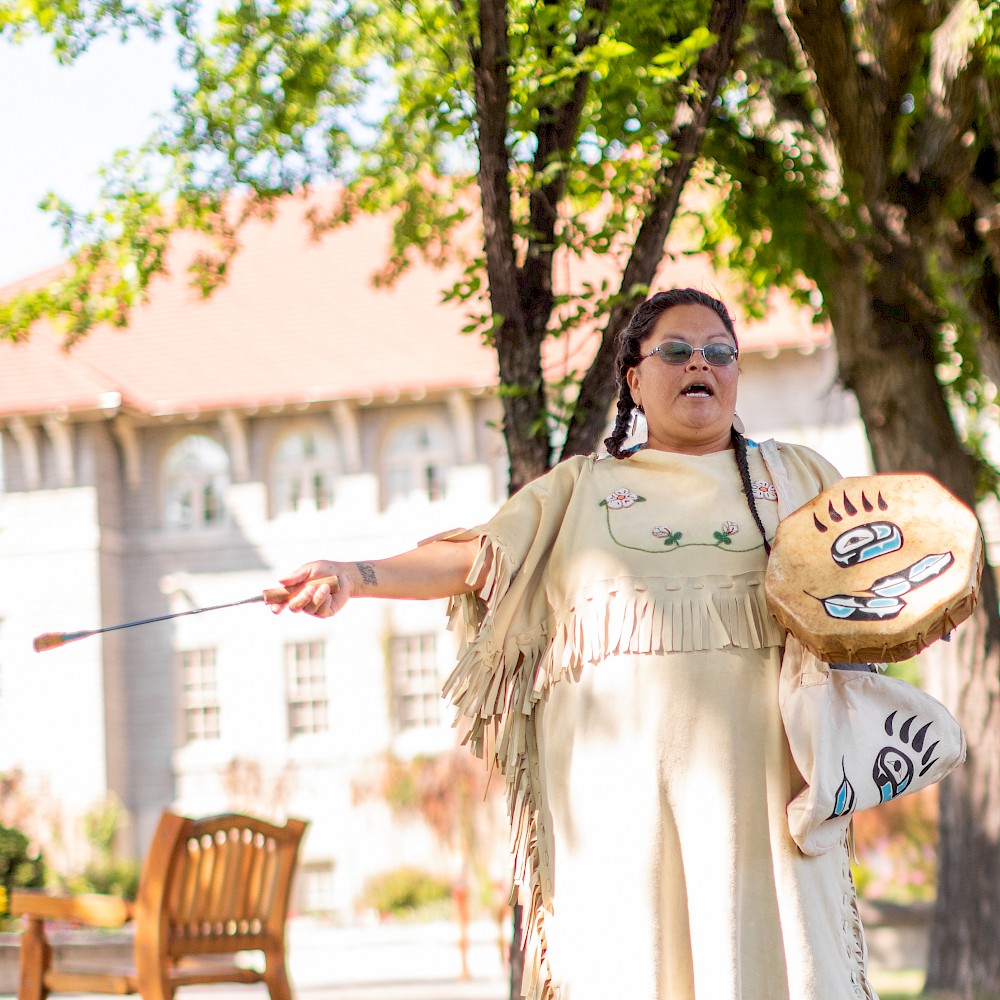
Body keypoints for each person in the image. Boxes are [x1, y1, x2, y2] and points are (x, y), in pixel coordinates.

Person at [270, 288, 876, 1000]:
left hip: (771, 809)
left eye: (719, 352)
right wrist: (353, 575)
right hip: (625, 820)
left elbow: (881, 579)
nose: (699, 365)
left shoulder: (798, 477)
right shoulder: (579, 491)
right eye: (676, 351)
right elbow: (476, 558)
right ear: (635, 380)